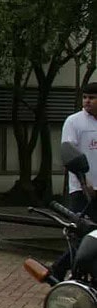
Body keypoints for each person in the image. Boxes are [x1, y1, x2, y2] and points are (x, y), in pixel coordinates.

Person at [62, 83, 97, 217]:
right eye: (85, 97)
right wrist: (84, 183)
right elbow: (69, 153)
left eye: (92, 98)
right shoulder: (74, 121)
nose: (87, 101)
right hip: (82, 190)